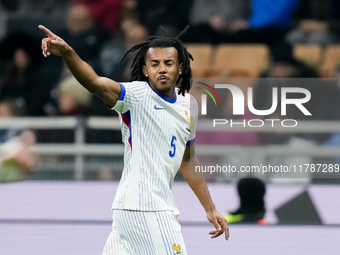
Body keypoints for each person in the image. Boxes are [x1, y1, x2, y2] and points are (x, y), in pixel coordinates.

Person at [38, 24, 229, 254]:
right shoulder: (135, 96)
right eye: (155, 64)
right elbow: (95, 83)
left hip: (137, 209)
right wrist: (69, 53)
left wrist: (209, 208)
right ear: (145, 69)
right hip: (145, 208)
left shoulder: (189, 105)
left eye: (168, 64)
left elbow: (187, 160)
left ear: (180, 68)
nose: (162, 69)